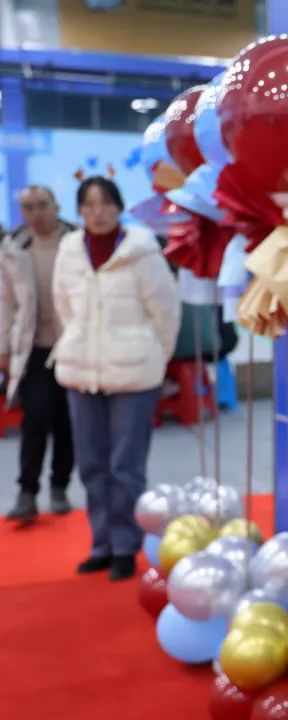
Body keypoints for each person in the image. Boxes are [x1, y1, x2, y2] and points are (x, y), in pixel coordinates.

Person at [52, 177, 180, 580]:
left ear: (119, 207)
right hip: (81, 370)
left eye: (106, 203)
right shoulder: (69, 249)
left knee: (126, 466)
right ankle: (101, 543)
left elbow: (166, 312)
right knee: (91, 463)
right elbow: (63, 305)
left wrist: (153, 356)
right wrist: (80, 341)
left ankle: (126, 545)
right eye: (89, 205)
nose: (98, 213)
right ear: (79, 211)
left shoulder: (141, 250)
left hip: (134, 372)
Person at [1, 186, 78, 523]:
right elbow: (5, 302)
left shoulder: (77, 242)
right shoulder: (13, 248)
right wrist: (3, 347)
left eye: (43, 205)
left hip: (72, 345)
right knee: (35, 418)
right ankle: (27, 492)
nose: (37, 213)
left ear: (56, 206)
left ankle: (60, 486)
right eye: (29, 207)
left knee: (67, 421)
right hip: (32, 347)